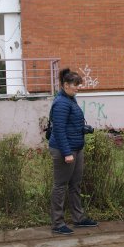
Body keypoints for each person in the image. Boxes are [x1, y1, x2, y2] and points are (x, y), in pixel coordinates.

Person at [47, 68, 98, 235]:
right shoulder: (61, 102)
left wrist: (82, 129)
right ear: (65, 85)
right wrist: (67, 153)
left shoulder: (70, 99)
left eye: (78, 85)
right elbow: (59, 130)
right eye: (75, 85)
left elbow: (70, 124)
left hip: (76, 147)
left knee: (75, 184)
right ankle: (57, 223)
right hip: (64, 150)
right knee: (60, 186)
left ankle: (79, 218)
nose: (78, 88)